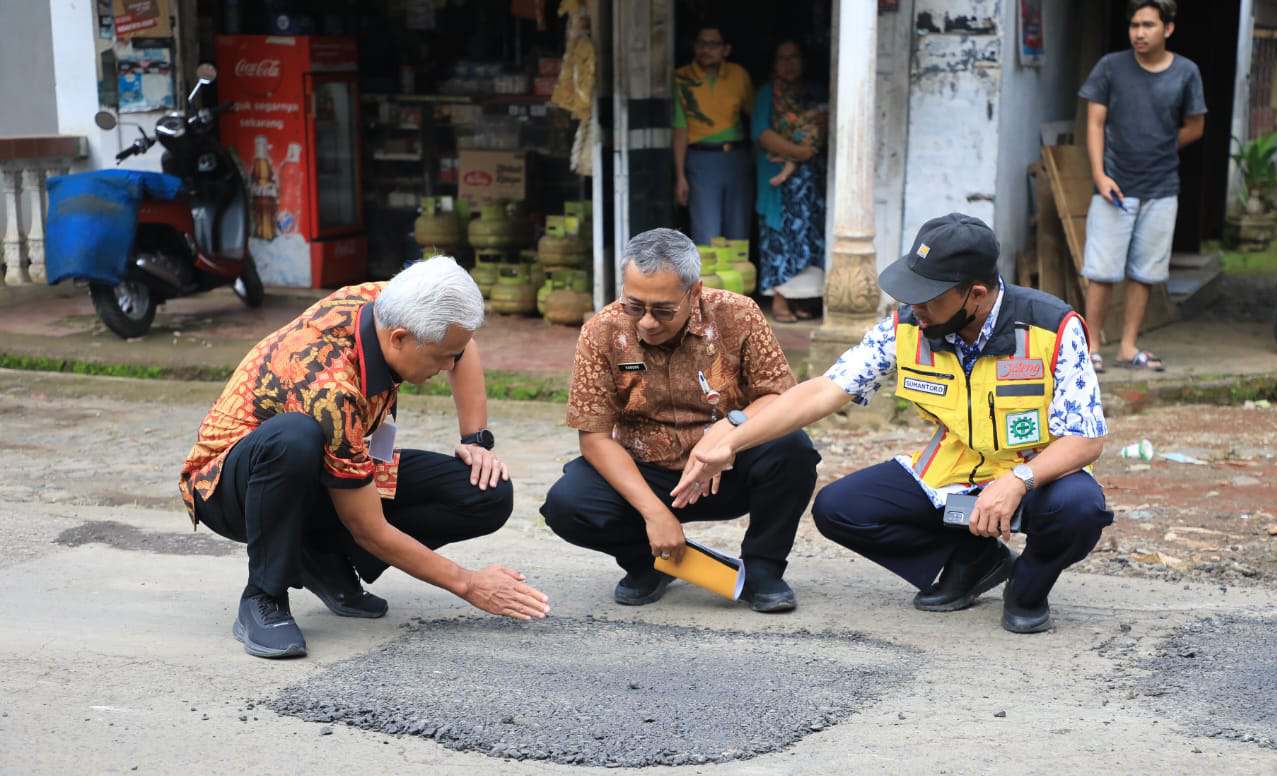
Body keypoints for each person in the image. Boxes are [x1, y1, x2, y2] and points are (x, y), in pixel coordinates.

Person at [674, 214, 1113, 634]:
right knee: (840, 509)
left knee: (1080, 509)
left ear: (975, 294)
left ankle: (1030, 586)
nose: (914, 306)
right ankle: (974, 562)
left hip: (1039, 477)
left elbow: (1086, 438)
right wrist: (733, 440)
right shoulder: (907, 326)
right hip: (957, 474)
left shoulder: (1052, 327)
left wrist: (1019, 480)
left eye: (928, 297)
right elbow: (826, 390)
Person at [179, 257, 550, 659]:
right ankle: (263, 596)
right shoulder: (330, 388)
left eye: (453, 356)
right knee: (295, 438)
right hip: (229, 485)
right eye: (442, 357)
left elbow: (462, 342)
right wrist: (468, 583)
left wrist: (476, 440)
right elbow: (367, 527)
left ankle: (322, 558)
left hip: (328, 462)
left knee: (485, 491)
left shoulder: (389, 302)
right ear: (399, 339)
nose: (449, 367)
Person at [540, 228, 820, 612]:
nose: (647, 322)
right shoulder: (601, 330)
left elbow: (780, 396)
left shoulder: (738, 314)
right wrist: (654, 514)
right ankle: (649, 563)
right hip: (647, 474)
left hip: (727, 470)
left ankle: (763, 570)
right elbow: (595, 437)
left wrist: (730, 429)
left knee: (793, 449)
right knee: (567, 504)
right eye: (635, 305)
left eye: (663, 309)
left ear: (695, 291)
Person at [1080, 0, 1206, 373]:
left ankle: (1129, 346)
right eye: (1134, 25)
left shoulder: (1186, 72)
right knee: (1101, 271)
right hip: (1114, 187)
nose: (1139, 32)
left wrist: (1161, 146)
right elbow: (1094, 124)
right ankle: (1093, 347)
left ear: (1167, 29)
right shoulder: (1110, 67)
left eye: (1148, 25)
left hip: (1162, 187)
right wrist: (1100, 176)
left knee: (1145, 273)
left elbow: (1196, 126)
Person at [752, 40, 827, 323]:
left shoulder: (814, 92)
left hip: (810, 183)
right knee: (779, 236)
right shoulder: (766, 94)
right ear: (773, 64)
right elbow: (761, 132)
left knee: (808, 236)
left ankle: (805, 299)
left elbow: (823, 124)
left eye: (794, 57)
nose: (789, 64)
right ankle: (781, 299)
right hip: (778, 182)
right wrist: (799, 153)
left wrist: (807, 153)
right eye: (782, 58)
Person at [673, 25, 755, 246]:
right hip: (701, 160)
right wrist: (680, 176)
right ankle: (709, 282)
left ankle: (737, 281)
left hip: (738, 158)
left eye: (713, 44)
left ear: (726, 50)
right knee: (707, 234)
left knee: (738, 233)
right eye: (701, 44)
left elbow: (754, 118)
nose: (705, 50)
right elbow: (680, 130)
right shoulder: (681, 78)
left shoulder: (739, 75)